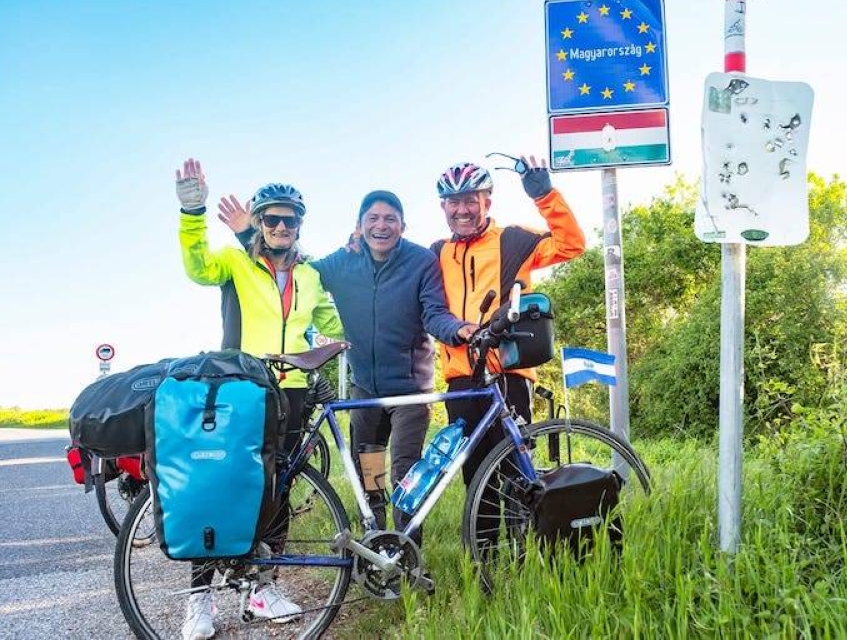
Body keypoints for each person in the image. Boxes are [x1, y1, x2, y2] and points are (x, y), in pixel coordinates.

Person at [219, 189, 475, 546]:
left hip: (410, 389)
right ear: (359, 226)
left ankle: (406, 550)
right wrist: (249, 235)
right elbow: (293, 267)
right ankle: (376, 544)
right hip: (365, 390)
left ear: (403, 225)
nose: (381, 226)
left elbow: (434, 314)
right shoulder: (340, 263)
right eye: (373, 218)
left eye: (390, 219)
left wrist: (459, 331)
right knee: (368, 472)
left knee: (405, 473)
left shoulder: (420, 261)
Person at [175, 158, 344, 640]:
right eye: (272, 218)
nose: (282, 226)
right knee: (222, 489)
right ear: (258, 222)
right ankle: (198, 600)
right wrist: (193, 212)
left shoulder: (310, 275)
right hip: (242, 389)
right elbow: (197, 267)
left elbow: (332, 322)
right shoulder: (236, 262)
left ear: (299, 226)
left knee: (279, 490)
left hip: (292, 391)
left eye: (290, 219)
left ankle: (263, 587)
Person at [431, 156, 585, 490]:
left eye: (471, 200)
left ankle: (520, 543)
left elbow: (572, 245)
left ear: (486, 201)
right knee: (476, 479)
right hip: (461, 380)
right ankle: (483, 545)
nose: (462, 210)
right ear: (443, 206)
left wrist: (544, 195)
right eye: (454, 202)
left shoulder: (513, 239)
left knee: (517, 476)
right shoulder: (437, 252)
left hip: (509, 374)